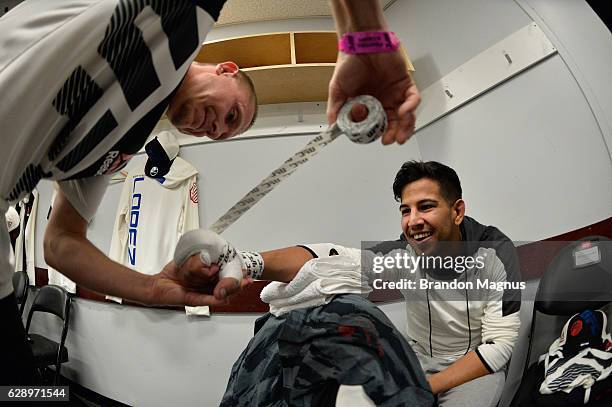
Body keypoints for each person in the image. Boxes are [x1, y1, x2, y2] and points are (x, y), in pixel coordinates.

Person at [0, 0, 419, 384]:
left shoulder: (116, 147)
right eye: (231, 113)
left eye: (223, 133)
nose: (216, 128)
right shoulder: (172, 22)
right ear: (227, 69)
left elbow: (61, 242)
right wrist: (364, 37)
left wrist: (152, 288)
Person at [228, 161, 521, 406]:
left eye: (426, 207)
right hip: (417, 358)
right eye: (406, 211)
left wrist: (427, 386)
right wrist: (249, 263)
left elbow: (500, 345)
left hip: (475, 367)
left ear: (457, 211)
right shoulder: (402, 254)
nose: (413, 221)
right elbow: (330, 259)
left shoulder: (496, 252)